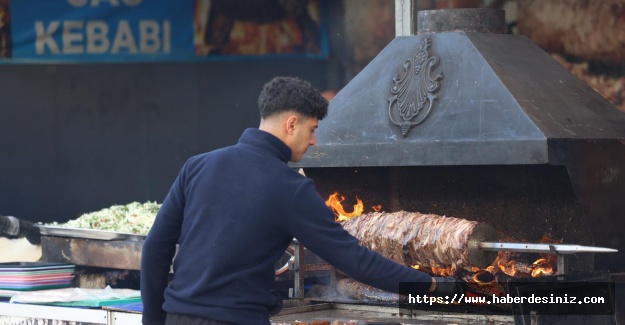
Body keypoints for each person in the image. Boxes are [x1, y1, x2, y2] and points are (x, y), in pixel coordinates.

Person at [140, 77, 460, 325]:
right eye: (311, 129)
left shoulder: (198, 166)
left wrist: (154, 321)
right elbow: (352, 259)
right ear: (291, 123)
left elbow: (155, 248)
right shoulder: (291, 188)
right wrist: (430, 285)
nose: (313, 140)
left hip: (177, 317)